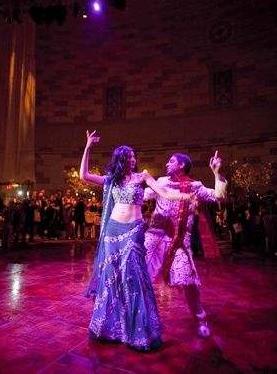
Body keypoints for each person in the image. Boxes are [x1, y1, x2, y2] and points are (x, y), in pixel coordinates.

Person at [80, 130, 193, 352]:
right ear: (121, 159)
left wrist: (185, 196)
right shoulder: (111, 181)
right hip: (112, 232)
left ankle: (138, 331)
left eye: (134, 156)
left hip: (134, 231)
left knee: (133, 278)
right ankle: (110, 328)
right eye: (130, 157)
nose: (134, 159)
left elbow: (165, 193)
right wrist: (88, 147)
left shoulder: (143, 177)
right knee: (112, 279)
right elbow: (83, 175)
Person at [144, 151, 227, 338]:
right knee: (141, 276)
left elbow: (219, 197)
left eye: (171, 161)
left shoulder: (195, 186)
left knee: (188, 281)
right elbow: (141, 196)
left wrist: (216, 173)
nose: (167, 163)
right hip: (154, 237)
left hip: (179, 240)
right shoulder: (161, 182)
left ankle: (200, 319)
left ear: (182, 165)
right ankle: (139, 320)